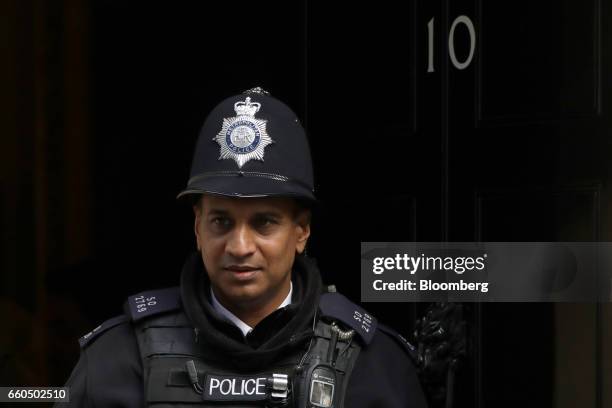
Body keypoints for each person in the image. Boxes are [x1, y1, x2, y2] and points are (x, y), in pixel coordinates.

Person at [55, 87, 428, 408]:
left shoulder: (373, 363)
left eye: (263, 222)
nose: (239, 246)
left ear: (301, 232)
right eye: (221, 222)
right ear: (197, 227)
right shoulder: (119, 357)